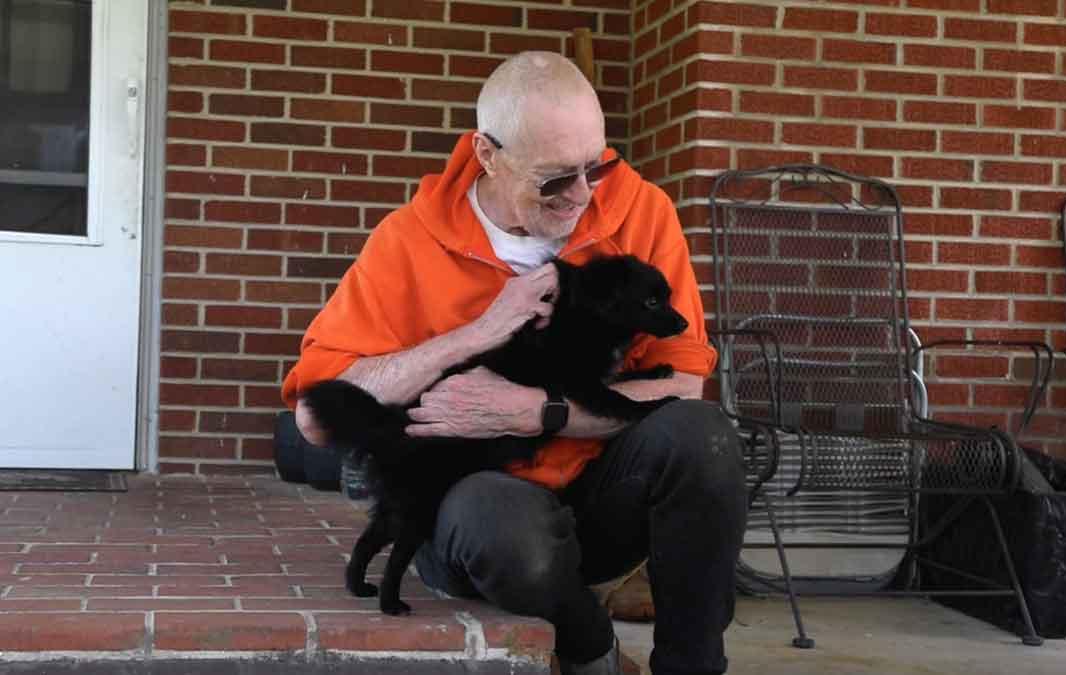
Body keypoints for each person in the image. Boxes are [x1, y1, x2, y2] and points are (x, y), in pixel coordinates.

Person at [281, 51, 747, 675]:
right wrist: (475, 334)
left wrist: (540, 413)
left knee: (704, 436)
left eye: (596, 166)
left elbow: (683, 386)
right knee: (498, 522)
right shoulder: (408, 241)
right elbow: (317, 414)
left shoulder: (642, 213)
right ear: (489, 155)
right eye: (555, 178)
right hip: (481, 511)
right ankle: (592, 653)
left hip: (602, 494)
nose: (583, 196)